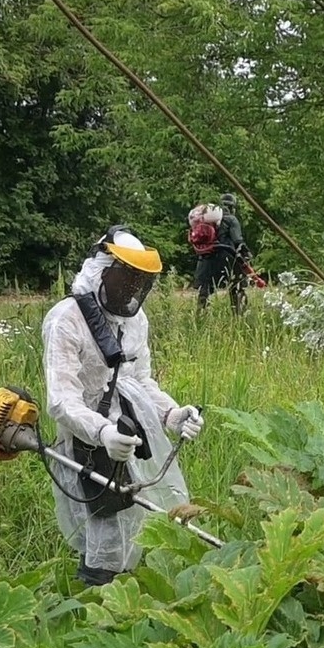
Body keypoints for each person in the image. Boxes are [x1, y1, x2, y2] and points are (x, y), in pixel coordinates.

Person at [41, 225, 204, 585]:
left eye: (139, 281)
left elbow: (140, 381)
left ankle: (128, 590)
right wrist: (102, 432)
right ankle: (96, 596)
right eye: (126, 278)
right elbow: (62, 399)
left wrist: (171, 414)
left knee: (138, 516)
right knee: (105, 523)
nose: (131, 289)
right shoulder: (66, 319)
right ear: (102, 270)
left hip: (131, 430)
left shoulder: (134, 321)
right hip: (87, 440)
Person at [189, 193, 250, 312]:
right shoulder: (231, 219)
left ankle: (200, 316)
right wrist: (246, 255)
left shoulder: (207, 219)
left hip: (207, 259)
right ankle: (238, 315)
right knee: (236, 288)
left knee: (204, 293)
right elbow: (238, 241)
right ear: (233, 208)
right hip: (227, 258)